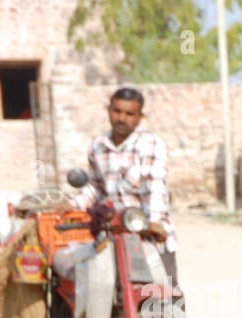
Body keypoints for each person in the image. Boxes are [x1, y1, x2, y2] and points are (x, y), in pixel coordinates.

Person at [70, 87, 180, 294]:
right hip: (113, 235)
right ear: (108, 110)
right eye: (117, 111)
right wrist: (73, 204)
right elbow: (95, 187)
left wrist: (155, 224)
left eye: (130, 114)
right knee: (106, 293)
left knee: (166, 302)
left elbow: (156, 187)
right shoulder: (98, 146)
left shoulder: (150, 144)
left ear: (140, 117)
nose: (122, 118)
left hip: (149, 235)